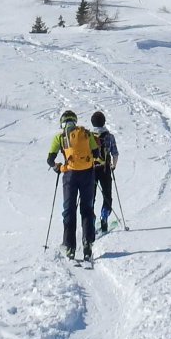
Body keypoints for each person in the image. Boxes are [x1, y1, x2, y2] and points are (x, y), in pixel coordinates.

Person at [46, 110, 101, 260]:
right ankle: (87, 243)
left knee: (69, 209)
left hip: (70, 175)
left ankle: (70, 246)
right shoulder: (86, 133)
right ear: (75, 121)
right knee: (87, 209)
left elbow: (50, 160)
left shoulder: (60, 137)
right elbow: (96, 154)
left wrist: (58, 167)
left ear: (62, 123)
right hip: (88, 174)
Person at [90, 110, 119, 233]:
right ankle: (104, 216)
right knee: (107, 195)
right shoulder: (109, 136)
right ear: (104, 122)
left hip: (91, 170)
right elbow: (115, 154)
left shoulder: (89, 136)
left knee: (91, 196)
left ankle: (90, 220)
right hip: (105, 169)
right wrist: (113, 166)